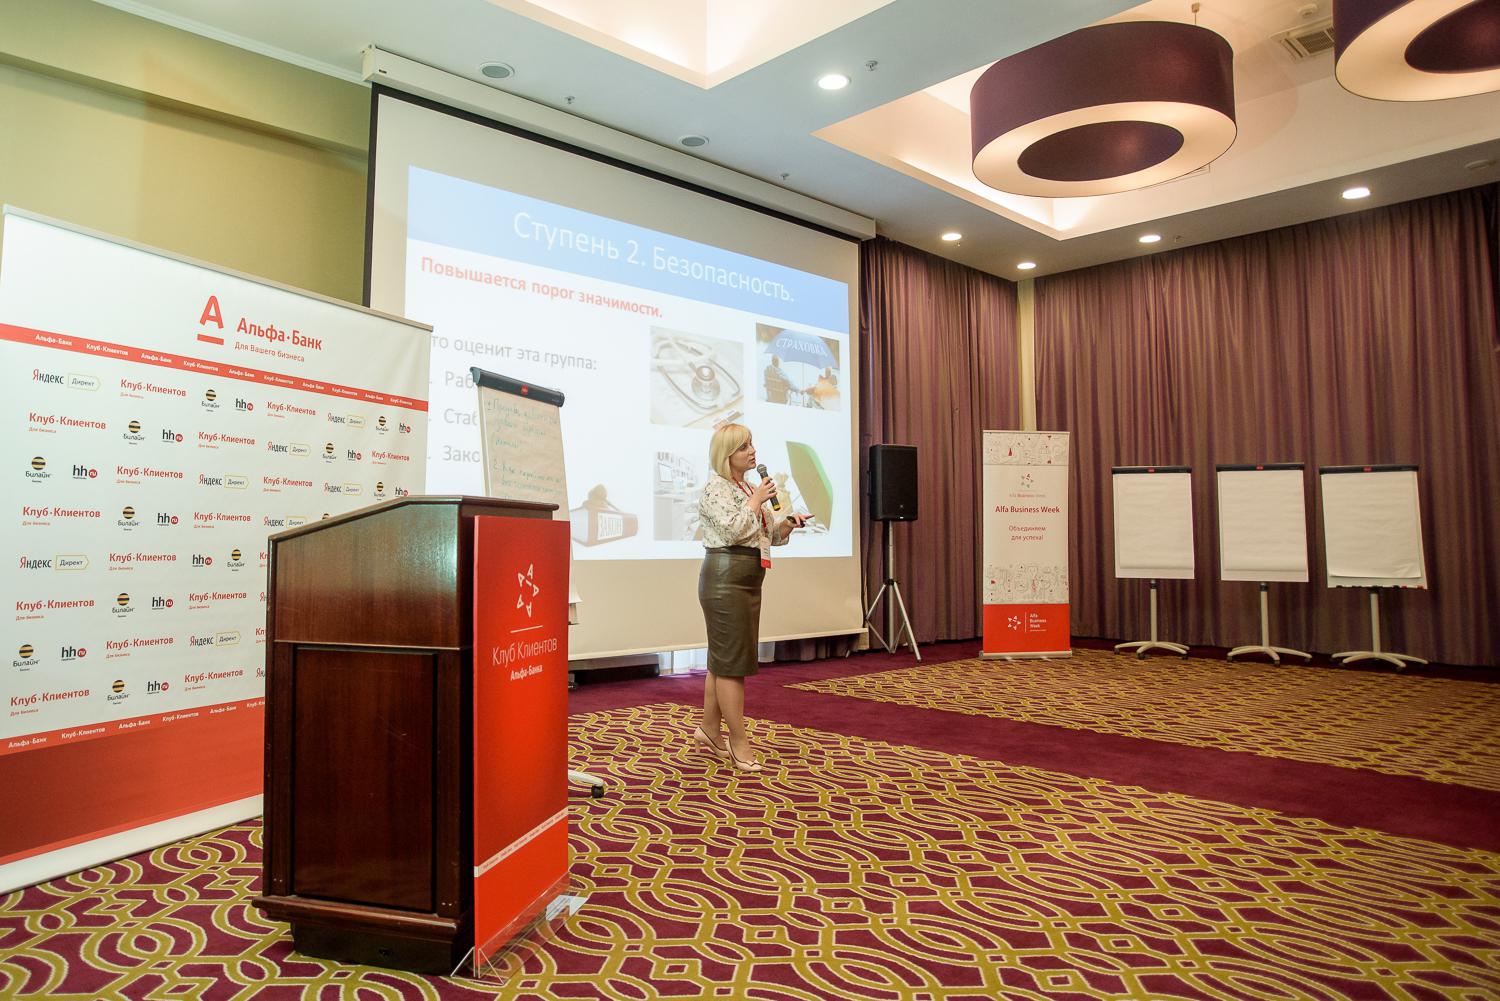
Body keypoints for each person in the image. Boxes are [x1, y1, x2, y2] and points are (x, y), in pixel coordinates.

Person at [694, 423, 807, 771]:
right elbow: (733, 530)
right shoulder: (716, 488)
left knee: (723, 660)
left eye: (752, 444)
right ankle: (738, 741)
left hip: (746, 578)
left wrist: (787, 523)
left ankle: (709, 730)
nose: (752, 451)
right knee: (733, 665)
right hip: (725, 580)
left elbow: (764, 535)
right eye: (744, 447)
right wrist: (757, 500)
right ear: (727, 454)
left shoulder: (744, 487)